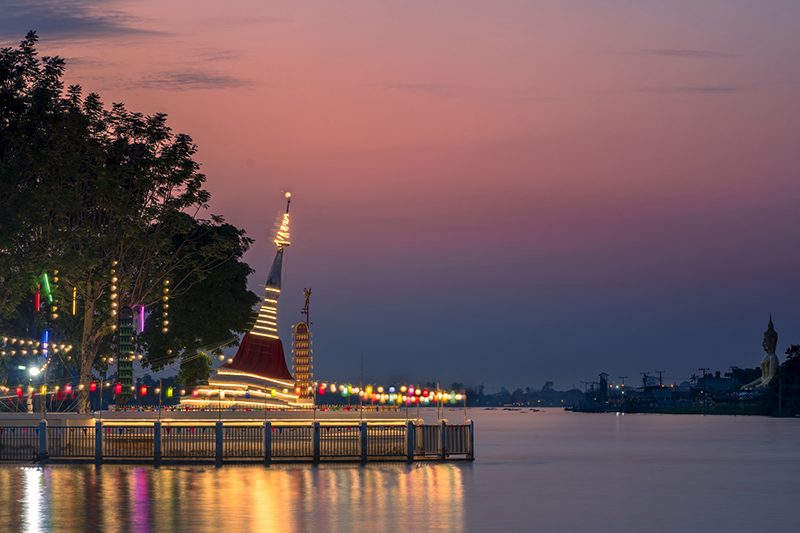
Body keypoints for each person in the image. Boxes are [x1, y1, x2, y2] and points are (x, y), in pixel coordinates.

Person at [741, 316, 780, 389]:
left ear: (772, 341)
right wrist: (748, 385)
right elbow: (763, 376)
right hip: (763, 384)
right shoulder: (767, 356)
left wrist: (761, 385)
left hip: (768, 386)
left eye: (765, 341)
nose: (763, 344)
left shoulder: (773, 357)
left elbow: (772, 376)